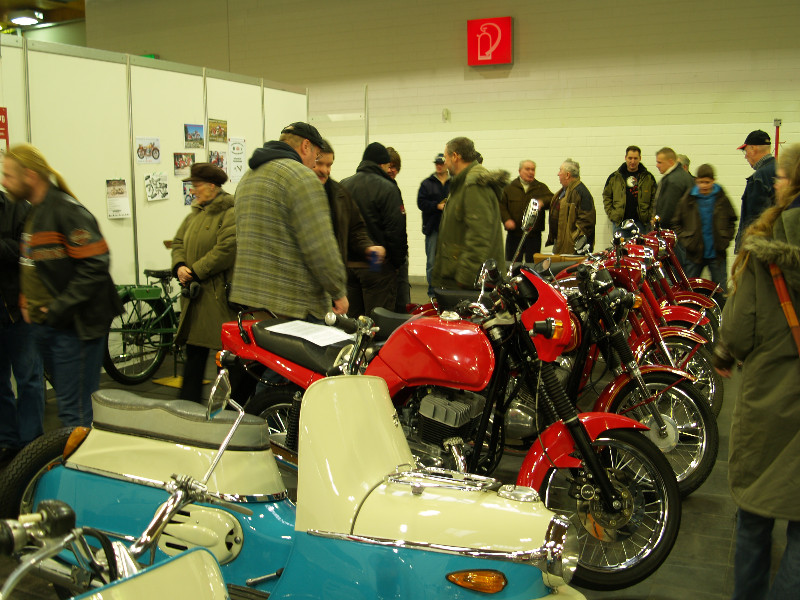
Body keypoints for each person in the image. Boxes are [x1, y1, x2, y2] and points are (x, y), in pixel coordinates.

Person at [712, 143, 800, 600]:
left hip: (772, 393)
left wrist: (724, 354)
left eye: (783, 177)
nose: (777, 182)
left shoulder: (768, 244)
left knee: (755, 514)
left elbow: (739, 326)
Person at [2, 144, 121, 428]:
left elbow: (95, 266)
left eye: (8, 176)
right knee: (71, 408)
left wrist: (58, 308)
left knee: (75, 413)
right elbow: (34, 261)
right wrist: (27, 298)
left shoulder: (65, 211)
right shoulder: (35, 212)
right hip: (52, 325)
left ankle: (79, 468)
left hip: (76, 327)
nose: (4, 182)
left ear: (29, 175)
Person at [229, 122, 347, 320]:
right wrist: (338, 290)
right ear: (306, 146)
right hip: (293, 304)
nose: (314, 165)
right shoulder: (301, 177)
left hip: (253, 302)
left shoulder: (247, 178)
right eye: (317, 157)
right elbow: (319, 246)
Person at [171, 163, 236, 402]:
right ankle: (187, 405)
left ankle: (225, 406)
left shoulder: (229, 212)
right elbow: (178, 242)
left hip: (218, 298)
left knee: (223, 357)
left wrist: (195, 271)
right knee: (195, 354)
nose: (193, 190)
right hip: (196, 298)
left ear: (211, 186)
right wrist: (179, 266)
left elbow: (227, 249)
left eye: (196, 185)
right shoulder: (195, 214)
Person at [0, 189, 44, 468]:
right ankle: (7, 440)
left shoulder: (18, 208)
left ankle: (31, 446)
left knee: (28, 379)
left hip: (18, 310)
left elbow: (29, 251)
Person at [341, 142, 407, 316]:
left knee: (353, 323)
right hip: (377, 268)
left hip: (348, 268)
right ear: (382, 164)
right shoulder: (388, 188)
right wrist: (397, 263)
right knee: (378, 323)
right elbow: (396, 231)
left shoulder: (343, 186)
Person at [432, 137, 506, 289]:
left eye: (446, 157)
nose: (444, 162)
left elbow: (479, 235)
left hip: (468, 283)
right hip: (459, 276)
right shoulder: (462, 183)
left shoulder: (473, 185)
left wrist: (466, 278)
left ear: (455, 156)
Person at [312, 139, 385, 276]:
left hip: (333, 275)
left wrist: (367, 247)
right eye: (319, 164)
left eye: (329, 165)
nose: (325, 170)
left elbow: (356, 229)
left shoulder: (340, 194)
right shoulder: (297, 192)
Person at [670, 163, 737, 303]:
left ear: (713, 181)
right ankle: (688, 315)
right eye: (701, 182)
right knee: (689, 289)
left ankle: (721, 318)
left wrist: (725, 239)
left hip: (717, 253)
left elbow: (732, 219)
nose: (704, 185)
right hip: (694, 254)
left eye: (707, 182)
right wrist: (686, 240)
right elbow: (676, 222)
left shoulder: (721, 198)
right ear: (696, 181)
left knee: (721, 289)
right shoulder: (688, 199)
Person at [499, 159, 553, 262]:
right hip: (514, 235)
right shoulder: (509, 188)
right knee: (512, 263)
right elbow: (501, 205)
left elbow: (552, 199)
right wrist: (506, 219)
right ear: (520, 171)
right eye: (527, 169)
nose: (531, 172)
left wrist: (542, 201)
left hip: (533, 236)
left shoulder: (540, 187)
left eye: (533, 169)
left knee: (532, 265)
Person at [735, 129, 776, 252]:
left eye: (746, 151)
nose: (746, 157)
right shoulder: (782, 171)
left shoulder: (758, 178)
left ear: (753, 148)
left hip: (759, 247)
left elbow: (754, 219)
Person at [602, 145, 657, 235]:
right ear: (625, 158)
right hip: (620, 223)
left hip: (641, 224)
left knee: (640, 248)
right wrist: (613, 215)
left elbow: (654, 198)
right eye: (630, 158)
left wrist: (649, 215)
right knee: (620, 249)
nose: (632, 161)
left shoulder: (648, 177)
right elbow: (606, 196)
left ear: (640, 158)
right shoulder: (615, 177)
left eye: (635, 158)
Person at [417, 153, 450, 297]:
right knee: (431, 262)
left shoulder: (454, 183)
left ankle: (447, 291)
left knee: (449, 261)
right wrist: (436, 206)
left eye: (441, 163)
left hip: (450, 230)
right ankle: (432, 293)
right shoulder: (427, 183)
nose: (439, 165)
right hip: (432, 228)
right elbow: (421, 203)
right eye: (437, 163)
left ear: (447, 165)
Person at [547, 159, 596, 255]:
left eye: (560, 170)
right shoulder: (564, 192)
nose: (558, 174)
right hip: (562, 243)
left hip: (573, 248)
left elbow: (587, 222)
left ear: (567, 175)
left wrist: (574, 239)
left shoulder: (580, 192)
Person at [385, 146, 410, 312]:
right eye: (389, 166)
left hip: (396, 252)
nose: (392, 170)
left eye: (395, 167)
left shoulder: (394, 187)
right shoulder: (386, 188)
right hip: (388, 255)